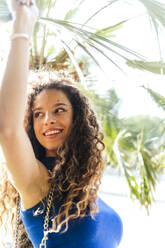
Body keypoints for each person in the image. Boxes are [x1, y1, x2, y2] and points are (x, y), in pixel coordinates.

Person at [0, 0, 123, 247]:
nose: (48, 120)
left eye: (59, 110)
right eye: (37, 114)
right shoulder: (36, 180)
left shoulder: (84, 184)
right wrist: (23, 23)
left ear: (77, 119)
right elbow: (8, 128)